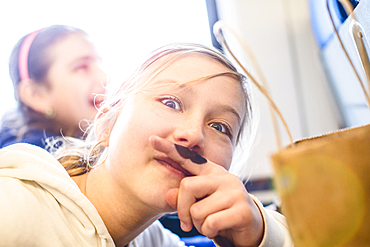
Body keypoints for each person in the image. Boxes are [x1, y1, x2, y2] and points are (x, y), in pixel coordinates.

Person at [0, 43, 292, 246]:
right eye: (171, 103)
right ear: (107, 122)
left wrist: (259, 235)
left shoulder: (151, 239)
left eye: (220, 127)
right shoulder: (14, 209)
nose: (193, 135)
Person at [0, 25, 108, 149]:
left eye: (99, 64)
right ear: (36, 95)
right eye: (82, 67)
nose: (105, 78)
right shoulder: (31, 160)